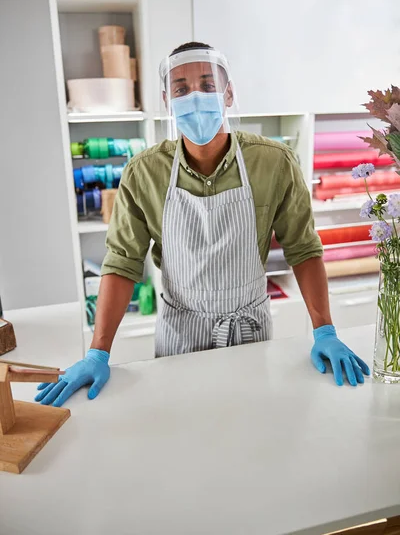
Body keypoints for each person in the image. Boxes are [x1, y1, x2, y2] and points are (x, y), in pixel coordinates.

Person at [36, 42, 369, 407]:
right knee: (183, 432)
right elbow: (122, 262)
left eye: (207, 85)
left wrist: (324, 330)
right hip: (180, 335)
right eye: (181, 89)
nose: (195, 97)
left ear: (228, 94)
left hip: (250, 335)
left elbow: (303, 248)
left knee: (253, 425)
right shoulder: (144, 172)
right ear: (168, 101)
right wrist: (97, 352)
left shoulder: (273, 162)